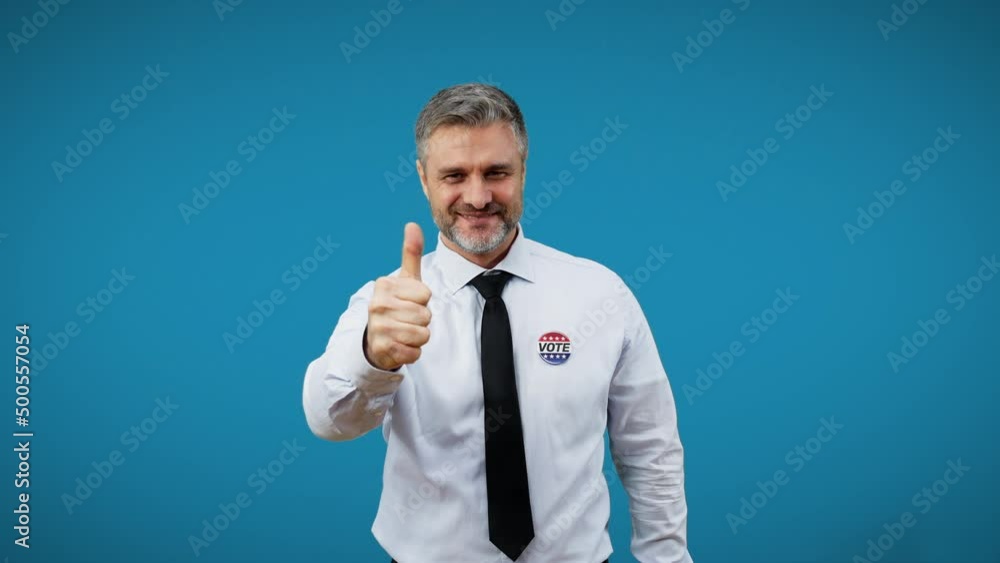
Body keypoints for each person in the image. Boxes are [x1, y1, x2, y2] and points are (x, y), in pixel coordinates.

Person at [302, 83, 692, 562]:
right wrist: (372, 359)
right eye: (454, 175)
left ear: (524, 171)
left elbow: (650, 450)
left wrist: (666, 558)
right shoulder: (387, 306)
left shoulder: (602, 295)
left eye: (496, 172)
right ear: (424, 179)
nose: (478, 196)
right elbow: (328, 420)